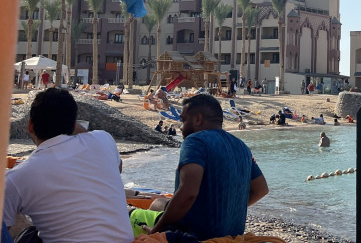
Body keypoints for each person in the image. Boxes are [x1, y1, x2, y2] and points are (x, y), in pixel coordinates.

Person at [3, 88, 133, 242]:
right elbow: (117, 169)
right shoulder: (104, 139)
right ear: (74, 123)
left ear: (30, 125)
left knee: (19, 223)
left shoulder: (17, 177)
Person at [149, 94, 268, 240]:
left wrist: (155, 231)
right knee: (159, 204)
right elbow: (261, 190)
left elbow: (188, 193)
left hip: (195, 236)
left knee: (149, 209)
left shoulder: (195, 141)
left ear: (198, 119)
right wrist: (228, 210)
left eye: (183, 120)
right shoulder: (242, 146)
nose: (181, 127)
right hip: (232, 236)